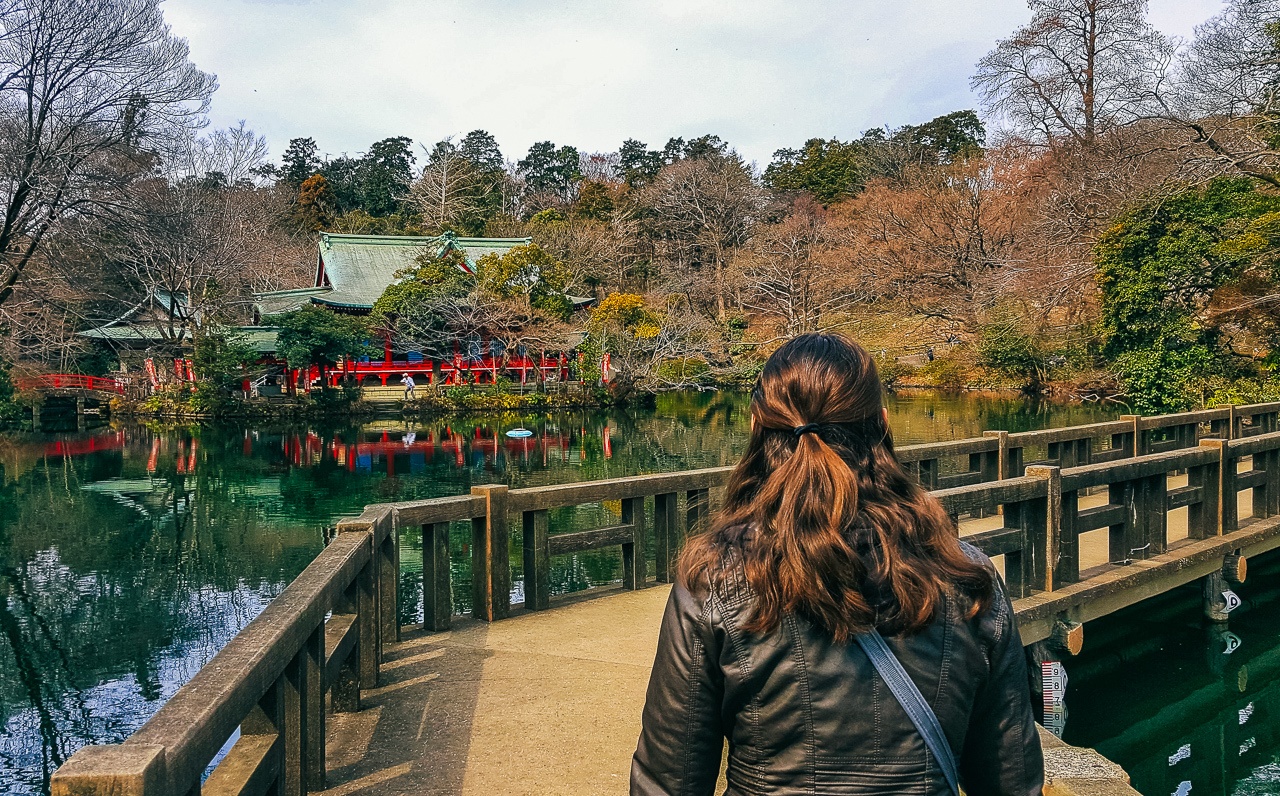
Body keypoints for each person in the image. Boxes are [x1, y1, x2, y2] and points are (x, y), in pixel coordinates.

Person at [631, 333, 1042, 796]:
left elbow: (669, 779)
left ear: (756, 426)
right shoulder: (965, 577)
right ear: (882, 423)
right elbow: (1012, 778)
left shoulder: (717, 579)